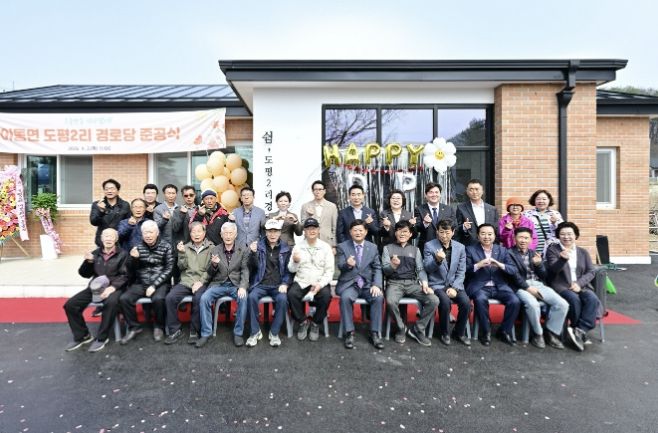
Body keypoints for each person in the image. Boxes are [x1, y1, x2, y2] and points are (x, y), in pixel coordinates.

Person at [63, 228, 129, 353]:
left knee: (111, 303)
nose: (108, 239)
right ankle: (83, 335)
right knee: (71, 305)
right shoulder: (95, 253)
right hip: (96, 286)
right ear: (101, 239)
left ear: (116, 239)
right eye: (106, 236)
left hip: (114, 287)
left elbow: (125, 275)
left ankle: (102, 338)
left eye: (111, 236)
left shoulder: (123, 254)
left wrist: (112, 288)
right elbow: (84, 274)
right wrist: (88, 262)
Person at [508, 227, 568, 349]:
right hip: (520, 286)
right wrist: (528, 288)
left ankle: (551, 332)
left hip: (538, 284)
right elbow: (513, 276)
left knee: (562, 304)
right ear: (514, 238)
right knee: (533, 304)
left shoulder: (534, 253)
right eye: (520, 237)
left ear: (531, 240)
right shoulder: (508, 254)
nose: (523, 240)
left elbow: (544, 276)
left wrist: (539, 264)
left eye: (526, 238)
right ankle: (538, 334)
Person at [545, 222, 601, 352]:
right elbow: (553, 270)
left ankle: (580, 329)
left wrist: (579, 284)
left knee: (592, 299)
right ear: (558, 236)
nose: (566, 237)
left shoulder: (583, 252)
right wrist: (562, 259)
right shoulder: (553, 250)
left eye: (569, 234)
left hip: (580, 285)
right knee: (574, 300)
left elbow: (591, 271)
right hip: (561, 285)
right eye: (562, 234)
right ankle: (578, 332)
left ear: (575, 235)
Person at [383, 220, 439, 346]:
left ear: (410, 234)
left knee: (434, 300)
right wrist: (392, 265)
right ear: (395, 233)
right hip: (394, 283)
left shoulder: (415, 250)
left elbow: (420, 269)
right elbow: (385, 270)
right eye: (399, 231)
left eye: (405, 231)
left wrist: (424, 283)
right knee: (390, 301)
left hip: (412, 284)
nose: (402, 234)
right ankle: (401, 328)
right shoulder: (387, 248)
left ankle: (417, 329)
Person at [119, 220, 174, 344]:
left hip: (160, 282)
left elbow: (169, 270)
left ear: (157, 233)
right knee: (124, 298)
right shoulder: (137, 247)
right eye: (145, 233)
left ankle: (159, 326)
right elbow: (130, 271)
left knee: (158, 299)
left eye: (151, 232)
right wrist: (133, 259)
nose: (148, 235)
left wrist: (154, 285)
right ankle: (134, 327)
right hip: (141, 282)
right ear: (142, 234)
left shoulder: (166, 246)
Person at [196, 222, 250, 348]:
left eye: (231, 233)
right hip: (219, 283)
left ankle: (238, 333)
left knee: (243, 297)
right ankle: (206, 333)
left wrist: (243, 286)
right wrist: (214, 265)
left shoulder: (243, 249)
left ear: (235, 235)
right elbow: (210, 272)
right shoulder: (215, 250)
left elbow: (245, 270)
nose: (228, 236)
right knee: (204, 298)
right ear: (221, 235)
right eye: (225, 233)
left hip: (235, 284)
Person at [465, 223, 520, 346]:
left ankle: (504, 331)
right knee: (480, 299)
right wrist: (478, 265)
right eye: (483, 234)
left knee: (515, 301)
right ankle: (485, 332)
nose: (486, 237)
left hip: (499, 286)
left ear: (494, 236)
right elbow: (465, 270)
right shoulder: (470, 249)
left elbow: (513, 269)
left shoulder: (502, 250)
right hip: (480, 287)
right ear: (478, 236)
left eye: (490, 234)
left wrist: (500, 265)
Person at [336, 219, 384, 350]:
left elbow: (377, 268)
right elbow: (340, 266)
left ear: (366, 232)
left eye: (360, 230)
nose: (358, 233)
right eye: (355, 230)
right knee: (345, 298)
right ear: (350, 232)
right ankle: (349, 332)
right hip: (350, 284)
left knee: (378, 297)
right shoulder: (343, 246)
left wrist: (376, 284)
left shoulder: (372, 247)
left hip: (367, 284)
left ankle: (375, 332)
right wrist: (347, 265)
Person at [163, 222, 214, 345]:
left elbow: (211, 270)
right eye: (193, 231)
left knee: (199, 298)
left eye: (199, 231)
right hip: (186, 281)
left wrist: (200, 282)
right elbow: (182, 267)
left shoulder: (212, 248)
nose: (196, 234)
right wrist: (181, 253)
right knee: (170, 298)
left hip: (202, 281)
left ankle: (194, 330)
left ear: (204, 233)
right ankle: (175, 330)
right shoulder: (185, 247)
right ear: (190, 234)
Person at [422, 219, 471, 346]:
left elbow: (461, 271)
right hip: (437, 284)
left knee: (466, 303)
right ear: (437, 232)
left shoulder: (460, 247)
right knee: (444, 302)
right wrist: (437, 260)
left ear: (453, 232)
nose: (444, 235)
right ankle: (444, 332)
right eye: (441, 232)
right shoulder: (429, 246)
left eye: (447, 232)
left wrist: (455, 288)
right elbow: (427, 268)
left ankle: (459, 332)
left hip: (454, 284)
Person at [245, 218, 293, 347]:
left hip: (278, 285)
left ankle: (274, 332)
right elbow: (251, 267)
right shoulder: (258, 245)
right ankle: (254, 332)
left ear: (280, 232)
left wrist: (285, 283)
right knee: (251, 297)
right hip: (260, 283)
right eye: (270, 231)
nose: (272, 234)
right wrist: (253, 253)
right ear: (265, 232)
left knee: (283, 299)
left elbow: (289, 270)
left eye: (275, 231)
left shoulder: (286, 248)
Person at [287, 218, 334, 341]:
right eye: (308, 228)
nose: (311, 231)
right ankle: (302, 321)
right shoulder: (298, 247)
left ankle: (315, 323)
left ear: (318, 230)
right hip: (302, 281)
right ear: (304, 231)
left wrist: (320, 285)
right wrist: (295, 261)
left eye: (314, 228)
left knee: (326, 296)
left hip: (319, 282)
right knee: (292, 294)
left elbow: (329, 271)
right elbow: (291, 269)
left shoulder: (325, 247)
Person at [456, 179, 499, 246]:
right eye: (471, 189)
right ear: (467, 192)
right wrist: (463, 227)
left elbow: (496, 229)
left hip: (489, 245)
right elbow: (456, 228)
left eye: (477, 189)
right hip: (469, 245)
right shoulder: (461, 208)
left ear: (482, 191)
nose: (474, 192)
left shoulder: (492, 209)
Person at [414, 182, 456, 253]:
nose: (434, 195)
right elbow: (416, 228)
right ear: (426, 195)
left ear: (440, 194)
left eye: (436, 192)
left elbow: (454, 226)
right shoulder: (419, 209)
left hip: (445, 247)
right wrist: (424, 223)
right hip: (426, 247)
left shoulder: (448, 209)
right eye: (431, 192)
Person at [89, 178, 130, 247]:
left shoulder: (125, 205)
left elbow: (127, 223)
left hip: (120, 242)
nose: (109, 191)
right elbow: (93, 222)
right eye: (106, 189)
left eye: (112, 189)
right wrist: (101, 211)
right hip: (102, 241)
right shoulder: (97, 204)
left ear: (118, 191)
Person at [524, 189, 565, 255]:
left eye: (544, 199)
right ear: (534, 200)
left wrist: (555, 223)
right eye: (538, 199)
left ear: (549, 200)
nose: (541, 201)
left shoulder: (555, 214)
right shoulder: (527, 214)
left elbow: (563, 231)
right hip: (533, 249)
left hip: (552, 250)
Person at [300, 180, 338, 251]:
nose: (318, 192)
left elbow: (334, 227)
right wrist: (309, 216)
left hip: (327, 242)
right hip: (310, 242)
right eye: (315, 189)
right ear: (312, 191)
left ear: (324, 191)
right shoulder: (305, 206)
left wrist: (334, 245)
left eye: (320, 189)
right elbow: (302, 226)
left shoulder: (332, 206)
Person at [154, 184, 181, 283]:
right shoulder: (158, 209)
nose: (171, 195)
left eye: (173, 193)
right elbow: (156, 227)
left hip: (178, 247)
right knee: (166, 275)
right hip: (164, 246)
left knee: (178, 274)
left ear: (176, 194)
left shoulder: (180, 208)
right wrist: (164, 219)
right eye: (168, 193)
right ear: (164, 194)